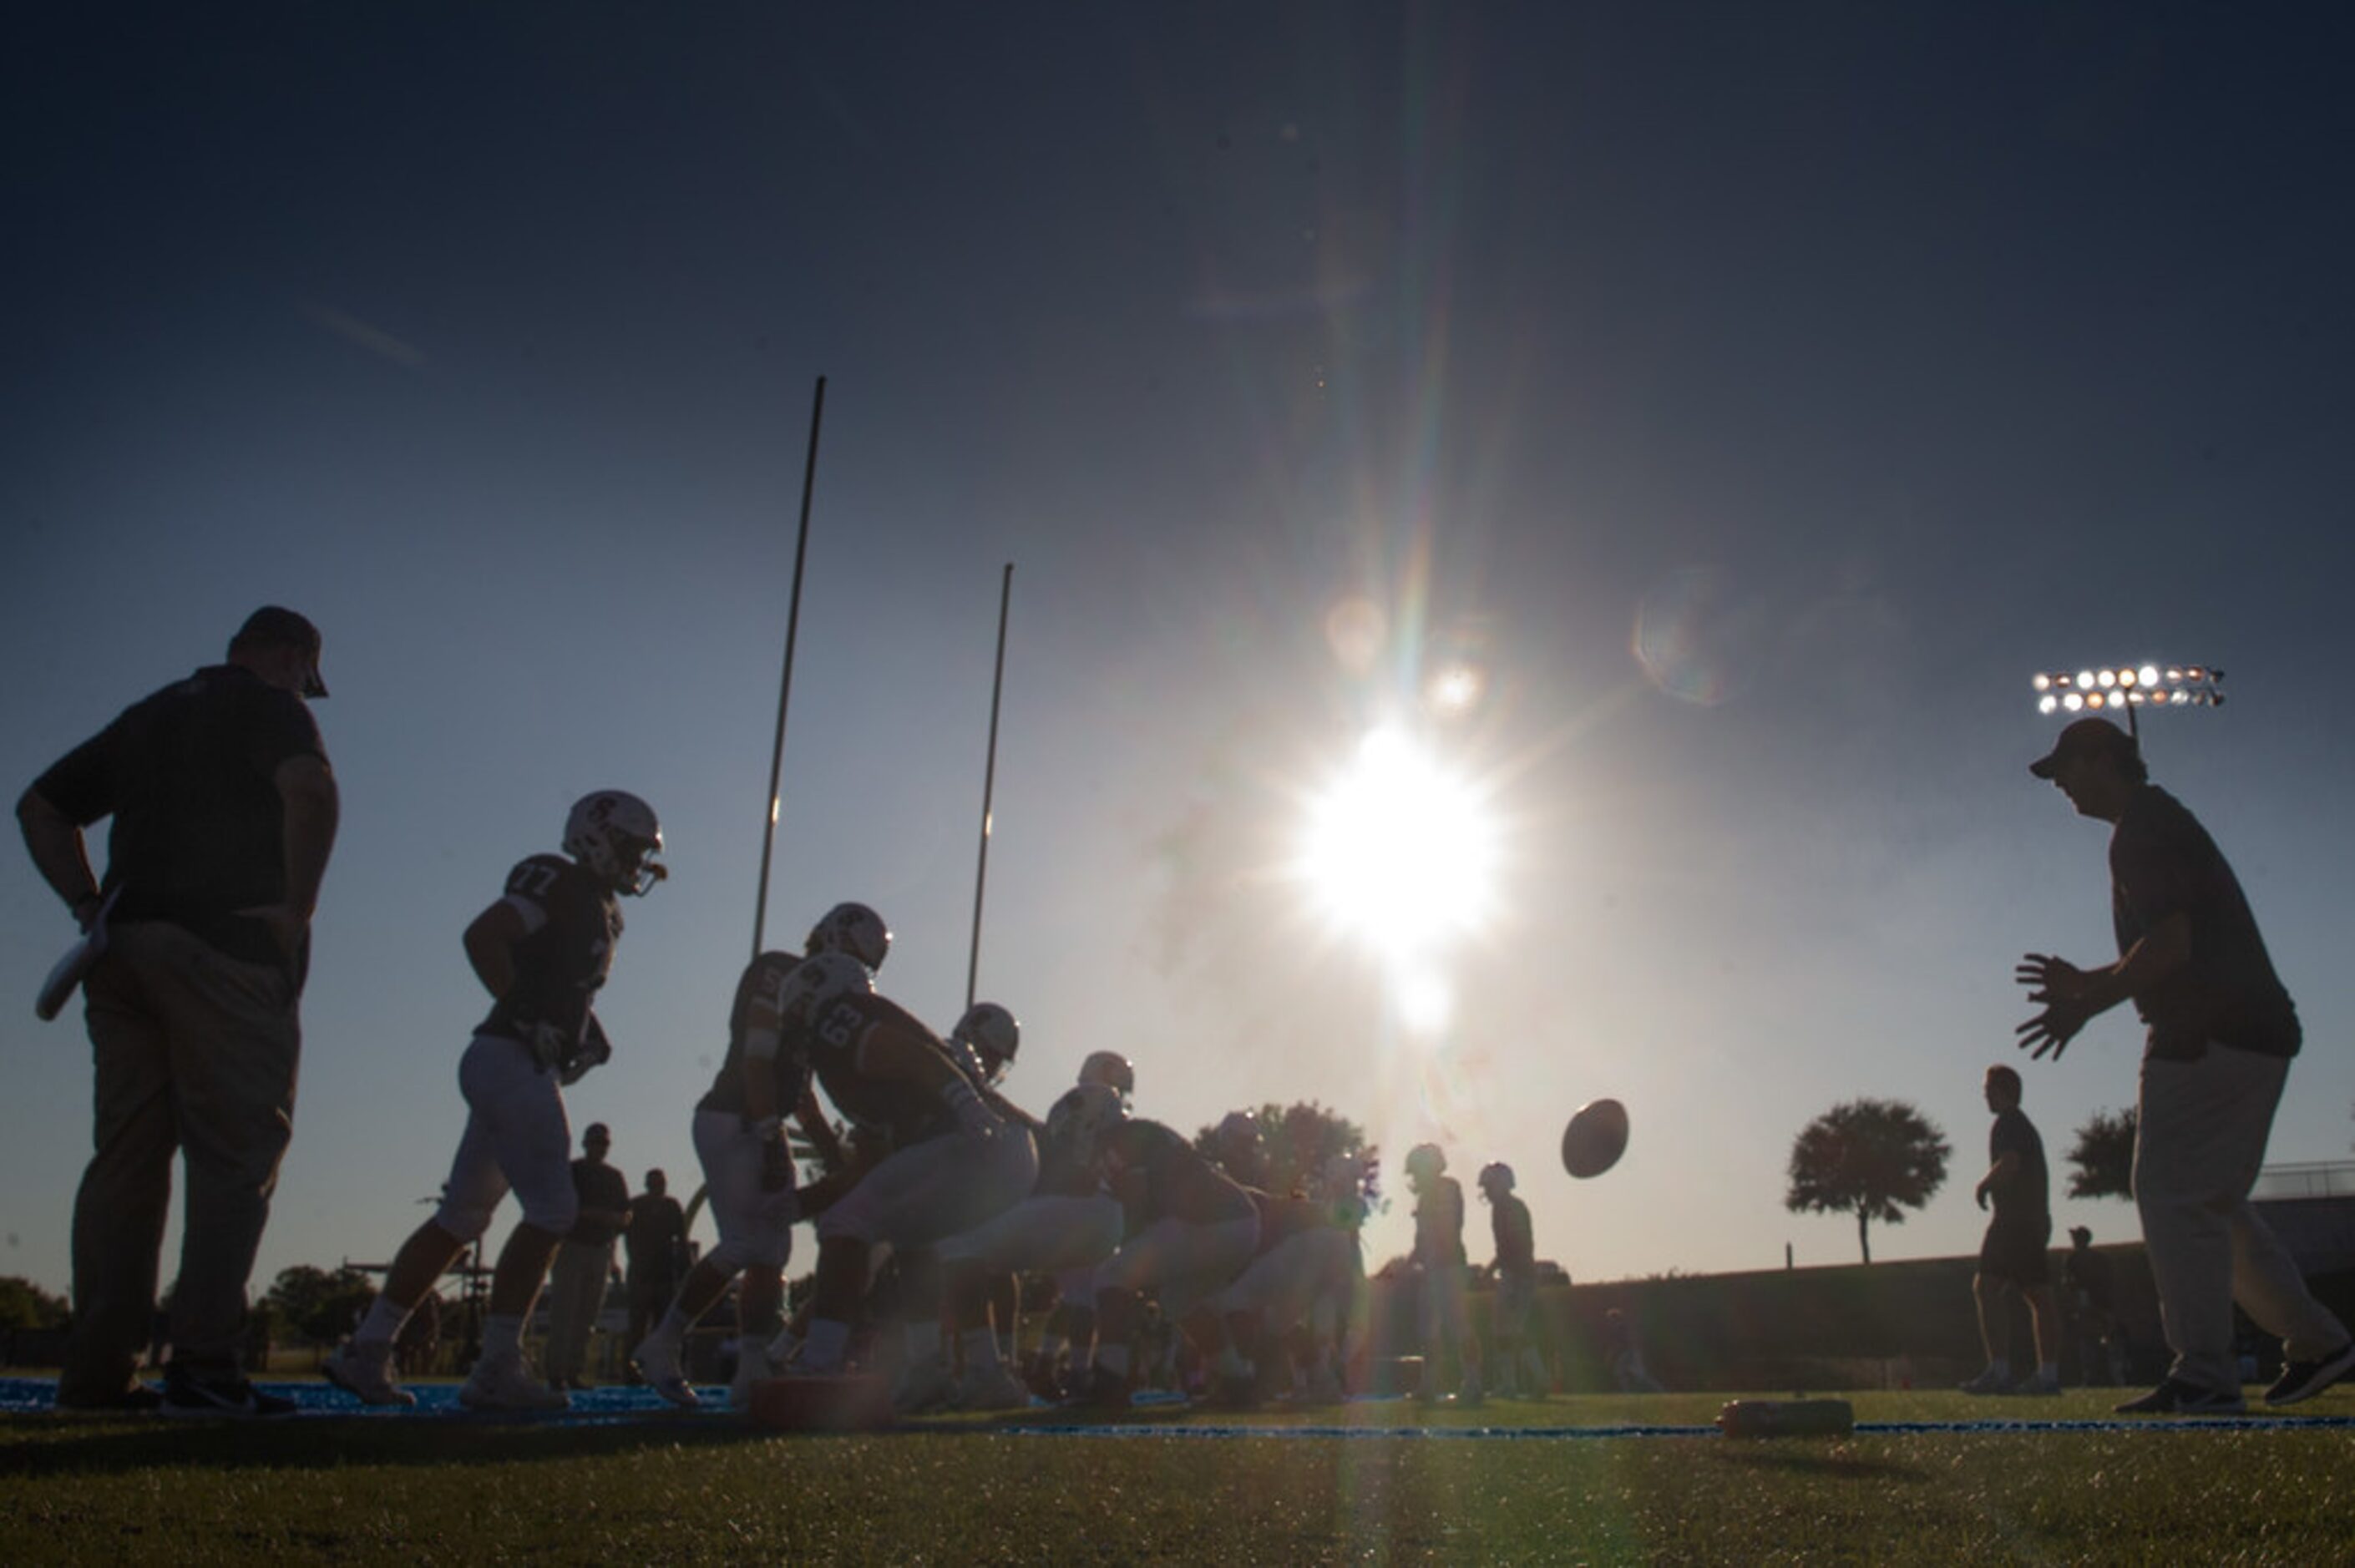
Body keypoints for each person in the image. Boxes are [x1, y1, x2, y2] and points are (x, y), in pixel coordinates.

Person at [19, 606, 337, 1417]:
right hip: (223, 949)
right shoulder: (270, 706)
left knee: (125, 1163)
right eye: (307, 673)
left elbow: (41, 808)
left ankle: (96, 1375)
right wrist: (297, 910)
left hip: (121, 953)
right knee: (235, 1155)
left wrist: (88, 906)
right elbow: (310, 788)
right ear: (293, 657)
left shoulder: (154, 712)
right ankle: (204, 1365)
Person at [2017, 716, 2355, 1413]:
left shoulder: (2139, 833)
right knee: (2211, 1206)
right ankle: (2319, 1344)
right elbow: (2172, 946)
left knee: (2171, 1196)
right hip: (2252, 1031)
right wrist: (2088, 980)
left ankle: (2204, 1373)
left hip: (2208, 1037)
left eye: (2066, 771)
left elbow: (2171, 950)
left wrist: (2087, 1006)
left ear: (2102, 758)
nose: (2062, 789)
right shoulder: (2157, 822)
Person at [322, 790, 665, 1412]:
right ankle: (496, 1366)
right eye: (633, 847)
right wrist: (528, 1015)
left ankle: (367, 1347)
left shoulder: (600, 906)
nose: (638, 862)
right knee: (555, 1210)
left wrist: (582, 1028)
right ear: (598, 834)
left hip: (510, 1060)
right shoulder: (557, 880)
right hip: (510, 1058)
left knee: (461, 1218)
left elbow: (558, 983)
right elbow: (484, 936)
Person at [631, 904, 889, 1410]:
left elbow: (802, 1090)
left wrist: (831, 1151)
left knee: (772, 1253)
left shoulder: (820, 991)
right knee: (749, 1242)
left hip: (758, 1120)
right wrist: (771, 1134)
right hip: (736, 1118)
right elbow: (757, 1059)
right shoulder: (781, 970)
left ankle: (751, 1366)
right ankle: (662, 1344)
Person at [767, 953, 1039, 1410]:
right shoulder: (849, 1041)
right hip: (995, 1150)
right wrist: (793, 1206)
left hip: (975, 1142)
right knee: (909, 1237)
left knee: (844, 1225)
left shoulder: (841, 1022)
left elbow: (912, 1054)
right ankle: (948, 1370)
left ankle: (819, 1362)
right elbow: (867, 1171)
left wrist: (967, 1107)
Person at [1960, 1065, 2061, 1396]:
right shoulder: (2022, 1124)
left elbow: (2011, 1162)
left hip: (2012, 1223)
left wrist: (1983, 1185)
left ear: (2000, 1090)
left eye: (1987, 1088)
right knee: (2025, 1294)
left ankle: (2013, 1372)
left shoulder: (2008, 1123)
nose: (1984, 1095)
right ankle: (2037, 1374)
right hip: (2027, 1221)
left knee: (2007, 1292)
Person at [542, 1122, 631, 1391]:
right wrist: (594, 1215)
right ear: (585, 1144)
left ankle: (574, 1370)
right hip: (572, 1246)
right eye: (595, 1143)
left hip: (601, 1248)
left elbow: (625, 1215)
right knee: (564, 1310)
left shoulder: (614, 1177)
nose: (599, 1148)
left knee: (588, 1314)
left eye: (603, 1144)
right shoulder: (573, 1172)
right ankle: (556, 1371)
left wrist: (613, 1225)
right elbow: (562, 1207)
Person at [1404, 1143, 1481, 1404]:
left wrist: (1430, 1257)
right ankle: (1428, 1384)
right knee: (1429, 1329)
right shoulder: (1426, 1196)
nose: (1414, 1178)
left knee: (1458, 1325)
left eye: (1416, 1171)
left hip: (1448, 1266)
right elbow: (1422, 1240)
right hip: (1434, 1268)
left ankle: (1473, 1381)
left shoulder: (1447, 1188)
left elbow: (1447, 1228)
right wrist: (1407, 1265)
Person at [1478, 1162, 1548, 1399]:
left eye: (1489, 1186)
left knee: (1514, 1327)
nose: (1486, 1191)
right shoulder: (1503, 1208)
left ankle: (1537, 1379)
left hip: (1518, 1274)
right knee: (1503, 1328)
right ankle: (1510, 1383)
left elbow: (1514, 1245)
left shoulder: (1511, 1208)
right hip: (1514, 1273)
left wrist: (1492, 1269)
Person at [623, 1169, 686, 1365]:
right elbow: (624, 1235)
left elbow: (682, 1239)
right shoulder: (636, 1205)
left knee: (663, 1327)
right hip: (641, 1274)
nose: (658, 1187)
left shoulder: (671, 1206)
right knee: (637, 1327)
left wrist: (685, 1267)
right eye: (654, 1183)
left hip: (665, 1274)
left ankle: (659, 1367)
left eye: (660, 1183)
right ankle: (632, 1370)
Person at [2064, 1226, 2123, 1386]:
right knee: (2108, 1340)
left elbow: (2070, 1284)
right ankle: (2116, 1377)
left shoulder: (2073, 1258)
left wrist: (2074, 1304)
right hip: (2104, 1302)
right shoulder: (2101, 1258)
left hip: (2087, 1301)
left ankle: (2091, 1377)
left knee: (2088, 1341)